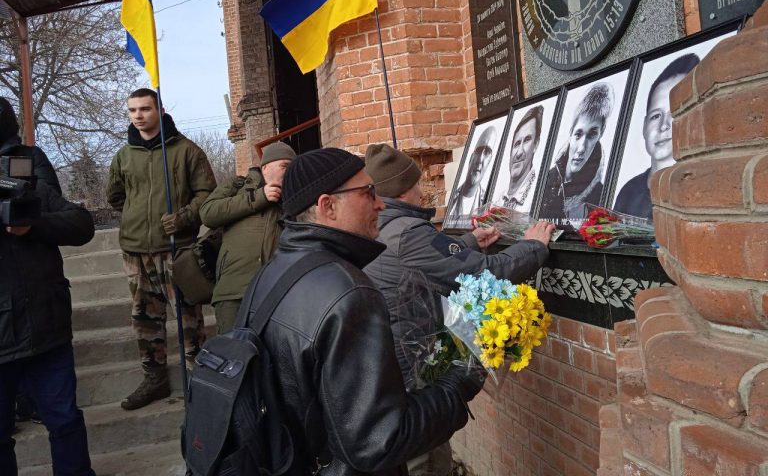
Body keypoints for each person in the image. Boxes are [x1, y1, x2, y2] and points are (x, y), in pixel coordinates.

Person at [242, 147, 486, 475]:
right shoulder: (348, 291)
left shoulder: (272, 273)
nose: (381, 203)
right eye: (368, 193)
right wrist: (461, 376)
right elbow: (380, 440)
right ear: (327, 206)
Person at [363, 143, 555, 476]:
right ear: (406, 189)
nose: (422, 190)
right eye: (417, 182)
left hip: (393, 363)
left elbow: (424, 261)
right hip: (413, 370)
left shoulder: (382, 225)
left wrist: (467, 243)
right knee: (424, 458)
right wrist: (533, 246)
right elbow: (487, 272)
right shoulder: (409, 233)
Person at [0, 102, 96, 476]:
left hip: (46, 325)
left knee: (65, 419)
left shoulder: (24, 163)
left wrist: (32, 223)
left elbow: (79, 223)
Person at [107, 88, 216, 411]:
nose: (138, 115)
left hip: (176, 249)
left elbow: (207, 194)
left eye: (144, 109)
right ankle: (154, 377)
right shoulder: (124, 156)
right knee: (144, 319)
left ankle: (201, 377)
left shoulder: (187, 151)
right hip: (136, 251)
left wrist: (185, 217)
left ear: (160, 110)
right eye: (132, 110)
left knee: (187, 317)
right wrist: (137, 217)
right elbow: (115, 195)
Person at [199, 141, 296, 334]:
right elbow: (208, 213)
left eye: (292, 168)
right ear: (266, 167)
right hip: (234, 291)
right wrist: (259, 197)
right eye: (284, 166)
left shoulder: (294, 199)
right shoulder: (238, 186)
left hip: (277, 293)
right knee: (232, 354)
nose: (289, 172)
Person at [614, 53, 700, 220]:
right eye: (656, 116)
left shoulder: (701, 188)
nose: (663, 126)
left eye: (675, 113)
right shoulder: (629, 192)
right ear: (644, 127)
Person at [539, 82, 614, 221]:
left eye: (592, 135)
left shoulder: (599, 195)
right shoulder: (546, 180)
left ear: (601, 134)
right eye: (578, 134)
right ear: (570, 133)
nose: (581, 148)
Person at [445, 126, 497, 225]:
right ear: (471, 159)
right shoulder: (453, 200)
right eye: (478, 151)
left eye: (486, 153)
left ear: (489, 162)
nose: (480, 160)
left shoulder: (489, 205)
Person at [500, 105, 544, 211]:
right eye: (517, 143)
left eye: (527, 140)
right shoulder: (498, 199)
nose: (519, 152)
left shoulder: (539, 196)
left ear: (536, 144)